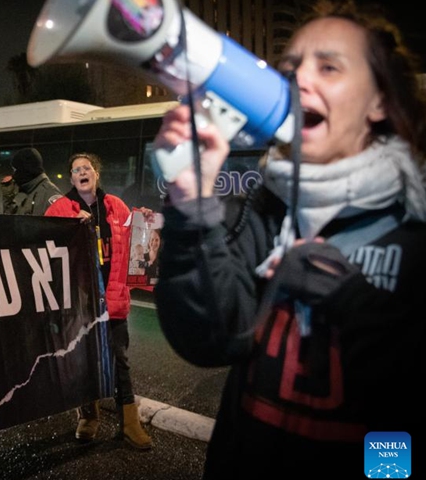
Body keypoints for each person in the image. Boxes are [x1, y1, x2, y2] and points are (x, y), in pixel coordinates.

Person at [153, 1, 426, 477]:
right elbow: (209, 342)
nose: (299, 80)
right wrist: (191, 207)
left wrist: (356, 307)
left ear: (379, 101)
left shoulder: (413, 226)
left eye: (328, 66)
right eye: (290, 67)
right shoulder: (264, 211)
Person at [45, 152, 153, 450]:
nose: (82, 172)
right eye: (76, 169)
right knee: (83, 362)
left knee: (120, 362)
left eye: (87, 167)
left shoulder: (114, 206)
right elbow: (45, 246)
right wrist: (71, 228)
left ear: (96, 173)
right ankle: (88, 417)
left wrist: (145, 222)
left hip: (114, 299)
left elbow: (137, 242)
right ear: (70, 179)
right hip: (79, 303)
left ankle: (130, 424)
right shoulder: (60, 209)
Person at [1, 147, 63, 215]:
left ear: (25, 170)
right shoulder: (32, 194)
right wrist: (8, 199)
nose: (13, 175)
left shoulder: (49, 193)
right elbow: (16, 223)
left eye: (15, 170)